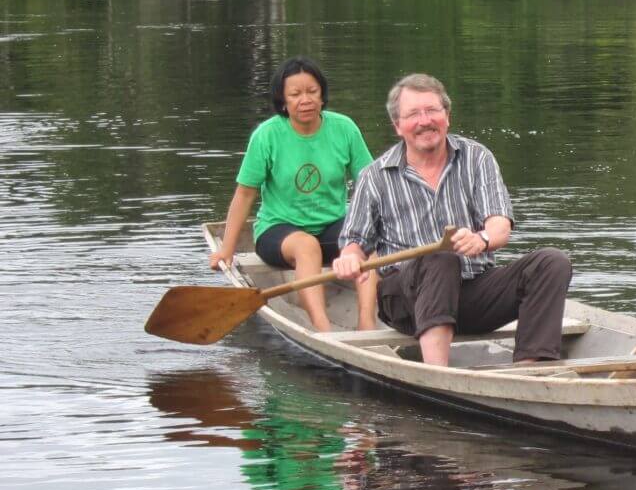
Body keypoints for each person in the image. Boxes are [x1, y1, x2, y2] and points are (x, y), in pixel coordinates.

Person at [332, 73, 572, 368]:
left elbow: (499, 225)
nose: (425, 121)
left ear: (447, 116)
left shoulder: (477, 158)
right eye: (413, 114)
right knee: (441, 258)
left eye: (432, 111)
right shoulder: (375, 176)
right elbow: (355, 243)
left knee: (552, 262)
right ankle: (439, 374)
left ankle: (532, 368)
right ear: (398, 126)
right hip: (407, 299)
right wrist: (349, 259)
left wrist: (480, 239)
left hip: (471, 293)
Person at [210, 56, 378, 333]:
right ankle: (322, 328)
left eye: (312, 92)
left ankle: (367, 321)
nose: (306, 100)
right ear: (283, 100)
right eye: (296, 94)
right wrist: (227, 249)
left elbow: (372, 185)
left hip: (332, 225)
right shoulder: (267, 135)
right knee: (306, 246)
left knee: (367, 240)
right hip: (279, 230)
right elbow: (244, 195)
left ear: (322, 95)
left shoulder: (344, 128)